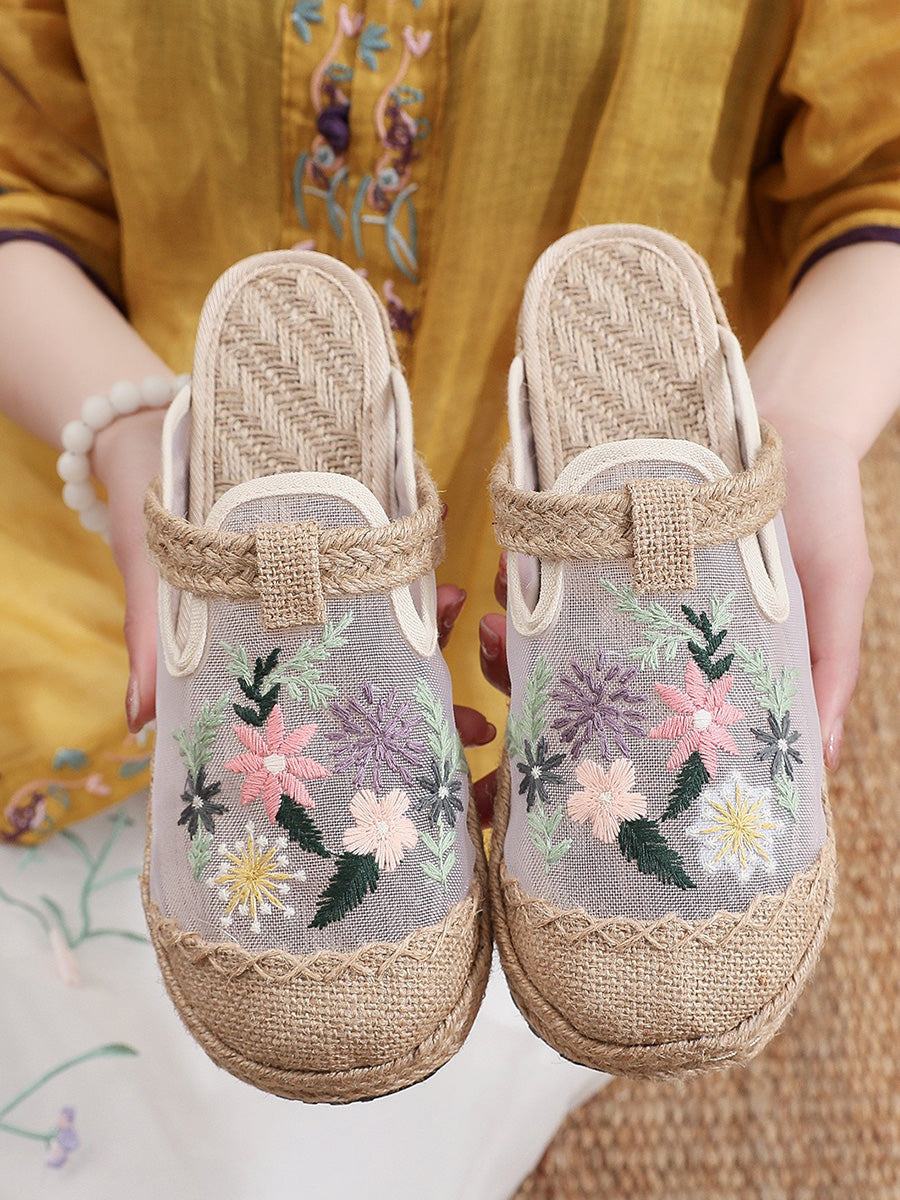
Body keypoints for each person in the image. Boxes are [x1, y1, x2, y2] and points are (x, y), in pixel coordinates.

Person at [1, 1, 898, 842]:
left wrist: (806, 422)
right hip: (89, 601)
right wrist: (131, 433)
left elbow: (879, 171)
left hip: (639, 610)